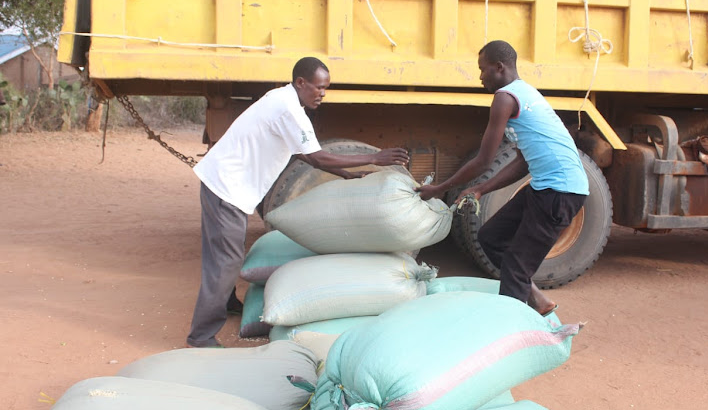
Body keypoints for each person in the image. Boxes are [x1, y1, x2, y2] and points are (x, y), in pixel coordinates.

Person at [187, 56, 409, 347]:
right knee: (226, 261)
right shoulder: (290, 110)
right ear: (301, 83)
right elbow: (316, 155)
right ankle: (201, 335)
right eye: (318, 87)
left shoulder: (281, 98)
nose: (322, 94)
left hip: (223, 182)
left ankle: (226, 302)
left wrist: (344, 173)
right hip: (227, 187)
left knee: (222, 255)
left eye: (326, 88)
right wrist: (373, 157)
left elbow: (305, 153)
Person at [417, 40, 588, 316]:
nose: (480, 76)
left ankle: (512, 329)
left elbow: (484, 160)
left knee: (516, 267)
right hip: (545, 187)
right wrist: (481, 189)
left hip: (559, 192)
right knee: (491, 238)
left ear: (499, 67)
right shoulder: (525, 92)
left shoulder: (505, 98)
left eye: (483, 70)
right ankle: (537, 299)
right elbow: (522, 162)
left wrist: (439, 188)